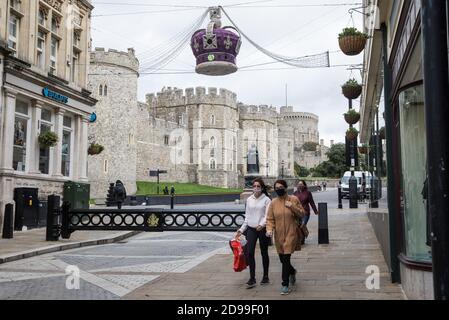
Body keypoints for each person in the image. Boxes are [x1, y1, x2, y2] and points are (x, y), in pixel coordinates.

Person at [266, 180, 305, 295]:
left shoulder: (293, 199)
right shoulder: (273, 202)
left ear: (286, 187)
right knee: (282, 260)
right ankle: (292, 272)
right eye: (276, 187)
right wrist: (269, 229)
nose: (279, 189)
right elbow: (270, 218)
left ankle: (285, 284)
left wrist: (292, 207)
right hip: (278, 235)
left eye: (281, 187)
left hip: (291, 233)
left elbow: (302, 213)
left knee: (286, 258)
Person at [235, 178, 272, 288]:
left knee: (264, 252)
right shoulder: (249, 199)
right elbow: (247, 216)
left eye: (258, 186)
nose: (256, 188)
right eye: (254, 186)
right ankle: (252, 277)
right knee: (250, 252)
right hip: (251, 229)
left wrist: (262, 224)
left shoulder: (266, 200)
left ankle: (265, 276)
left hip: (262, 229)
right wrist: (241, 230)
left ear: (262, 188)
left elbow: (267, 215)